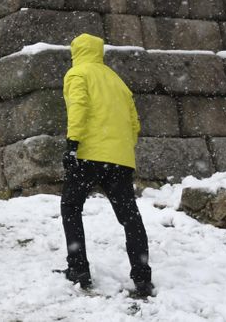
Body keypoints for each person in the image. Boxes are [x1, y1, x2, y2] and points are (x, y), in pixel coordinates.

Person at [59, 33, 153, 298]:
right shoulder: (117, 81)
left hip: (89, 155)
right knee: (130, 218)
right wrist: (121, 148)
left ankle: (78, 269)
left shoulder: (77, 73)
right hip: (120, 159)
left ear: (76, 51)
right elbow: (135, 123)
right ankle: (142, 278)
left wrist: (72, 144)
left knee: (71, 206)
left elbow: (79, 107)